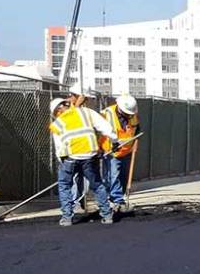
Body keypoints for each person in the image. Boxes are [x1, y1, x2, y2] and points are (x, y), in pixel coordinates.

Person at [49, 97, 117, 226]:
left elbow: (59, 147)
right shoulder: (85, 112)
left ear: (57, 111)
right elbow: (104, 126)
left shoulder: (57, 123)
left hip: (70, 157)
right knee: (97, 184)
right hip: (89, 155)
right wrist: (114, 140)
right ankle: (107, 215)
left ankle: (67, 218)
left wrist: (62, 161)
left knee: (64, 185)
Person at [100, 95, 140, 211]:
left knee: (123, 176)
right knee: (113, 176)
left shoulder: (133, 115)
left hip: (127, 151)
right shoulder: (107, 114)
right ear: (120, 109)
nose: (129, 115)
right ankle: (116, 200)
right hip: (112, 151)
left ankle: (119, 198)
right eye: (127, 113)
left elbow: (136, 129)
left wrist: (135, 143)